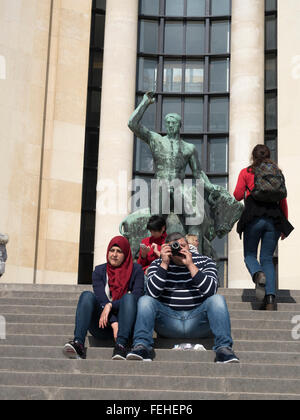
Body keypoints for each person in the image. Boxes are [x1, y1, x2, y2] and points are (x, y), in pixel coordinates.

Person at [126, 232, 239, 364]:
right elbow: (151, 293)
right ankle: (141, 346)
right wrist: (164, 264)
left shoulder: (205, 261)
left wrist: (190, 265)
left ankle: (224, 349)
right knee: (145, 300)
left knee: (217, 299)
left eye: (182, 246)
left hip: (198, 321)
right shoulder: (158, 264)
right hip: (169, 321)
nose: (179, 249)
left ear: (189, 246)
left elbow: (210, 291)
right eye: (174, 246)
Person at [63, 236, 144, 360]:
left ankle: (121, 346)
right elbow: (102, 301)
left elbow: (137, 297)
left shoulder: (136, 270)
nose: (114, 255)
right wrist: (114, 323)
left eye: (119, 251)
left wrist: (111, 305)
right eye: (112, 250)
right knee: (87, 295)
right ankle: (78, 343)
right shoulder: (99, 271)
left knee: (129, 298)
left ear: (126, 253)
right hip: (103, 325)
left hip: (127, 327)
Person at [233, 144, 294, 310]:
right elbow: (283, 200)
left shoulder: (247, 172)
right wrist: (283, 225)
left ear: (253, 156)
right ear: (269, 155)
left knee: (250, 255)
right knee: (267, 258)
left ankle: (258, 274)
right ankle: (270, 300)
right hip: (274, 219)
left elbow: (237, 195)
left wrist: (247, 189)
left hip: (253, 217)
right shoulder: (277, 173)